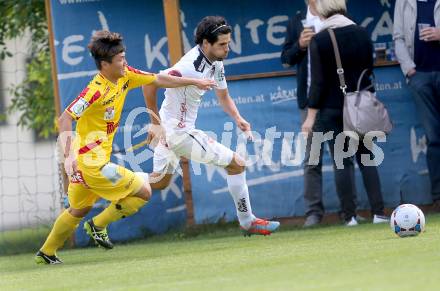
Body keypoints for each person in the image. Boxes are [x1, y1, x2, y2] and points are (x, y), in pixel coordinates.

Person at [35, 30, 216, 264]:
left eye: (124, 57)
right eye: (120, 59)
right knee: (144, 192)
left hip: (88, 164)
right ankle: (98, 225)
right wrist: (68, 157)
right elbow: (64, 119)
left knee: (78, 209)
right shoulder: (95, 90)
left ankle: (46, 252)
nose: (125, 63)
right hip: (92, 165)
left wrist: (195, 81)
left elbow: (158, 79)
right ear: (104, 64)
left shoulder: (126, 76)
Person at [142, 16, 280, 236]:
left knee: (159, 182)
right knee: (237, 164)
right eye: (222, 44)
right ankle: (248, 222)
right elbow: (149, 83)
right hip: (179, 133)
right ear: (206, 43)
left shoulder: (215, 63)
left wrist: (238, 118)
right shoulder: (189, 67)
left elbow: (223, 96)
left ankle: (107, 179)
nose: (227, 49)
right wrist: (155, 124)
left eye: (228, 43)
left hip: (172, 133)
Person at [301, 0, 389, 226]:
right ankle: (378, 213)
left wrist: (310, 117)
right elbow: (370, 69)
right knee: (367, 159)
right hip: (361, 105)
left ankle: (349, 216)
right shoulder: (362, 33)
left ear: (321, 10)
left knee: (342, 161)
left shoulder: (320, 40)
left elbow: (318, 84)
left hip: (333, 108)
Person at [281, 0, 333, 227]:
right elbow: (285, 59)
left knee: (345, 157)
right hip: (308, 101)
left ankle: (349, 212)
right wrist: (300, 46)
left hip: (336, 99)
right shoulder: (296, 21)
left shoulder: (334, 16)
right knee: (312, 159)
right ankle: (313, 213)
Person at [394, 0, 440, 206]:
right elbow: (398, 37)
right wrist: (409, 69)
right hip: (419, 76)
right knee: (434, 138)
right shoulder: (403, 2)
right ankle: (439, 196)